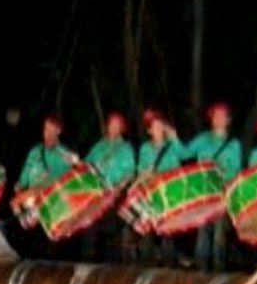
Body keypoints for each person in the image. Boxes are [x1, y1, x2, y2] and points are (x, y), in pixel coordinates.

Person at [184, 102, 242, 272]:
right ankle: (200, 270)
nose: (218, 119)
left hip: (223, 192)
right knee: (202, 231)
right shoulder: (202, 139)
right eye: (215, 116)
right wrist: (172, 138)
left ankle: (218, 271)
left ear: (228, 120)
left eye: (222, 116)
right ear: (211, 119)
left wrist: (228, 184)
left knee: (219, 233)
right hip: (203, 191)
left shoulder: (234, 144)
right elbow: (184, 153)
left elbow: (237, 170)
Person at [15, 115, 80, 258]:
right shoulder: (35, 151)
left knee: (49, 249)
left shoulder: (64, 153)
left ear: (59, 131)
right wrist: (19, 187)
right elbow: (23, 178)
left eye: (52, 130)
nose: (48, 133)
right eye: (46, 129)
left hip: (53, 205)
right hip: (32, 201)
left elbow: (77, 172)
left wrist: (75, 162)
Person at [81, 111, 136, 263]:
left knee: (111, 234)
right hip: (95, 195)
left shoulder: (125, 148)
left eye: (118, 125)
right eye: (112, 124)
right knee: (89, 231)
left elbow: (130, 173)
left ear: (122, 128)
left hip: (114, 194)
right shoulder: (99, 146)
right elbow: (85, 165)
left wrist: (119, 187)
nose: (114, 127)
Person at [136, 110, 184, 266]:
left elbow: (185, 155)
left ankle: (168, 266)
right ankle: (145, 265)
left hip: (169, 193)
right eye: (154, 127)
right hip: (150, 193)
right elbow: (141, 172)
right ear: (149, 131)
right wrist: (147, 174)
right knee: (147, 232)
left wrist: (175, 137)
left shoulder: (173, 146)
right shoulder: (145, 148)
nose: (158, 129)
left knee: (168, 233)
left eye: (160, 125)